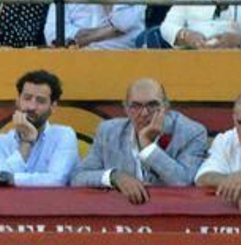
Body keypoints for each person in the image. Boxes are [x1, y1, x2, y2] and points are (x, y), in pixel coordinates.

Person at [70, 78, 210, 202]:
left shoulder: (191, 133)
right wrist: (115, 177)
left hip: (172, 214)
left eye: (152, 105)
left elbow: (184, 182)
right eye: (136, 106)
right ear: (125, 108)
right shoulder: (108, 131)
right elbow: (78, 177)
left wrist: (148, 147)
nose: (144, 113)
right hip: (121, 216)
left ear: (166, 107)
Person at [0, 69, 80, 189]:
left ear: (53, 107)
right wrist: (26, 143)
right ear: (18, 101)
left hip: (55, 206)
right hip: (11, 207)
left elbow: (57, 180)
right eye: (27, 98)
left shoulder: (64, 135)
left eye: (40, 101)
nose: (31, 106)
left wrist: (10, 178)